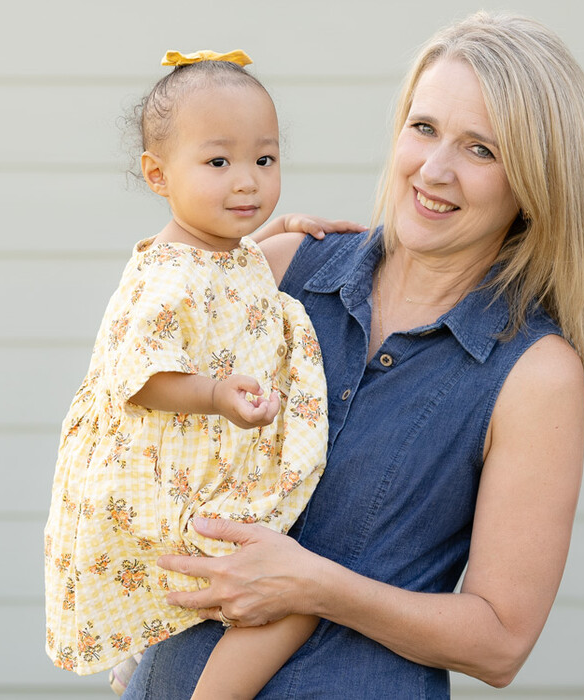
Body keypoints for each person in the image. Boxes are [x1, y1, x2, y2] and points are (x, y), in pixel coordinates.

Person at [120, 11, 584, 698]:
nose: (435, 170)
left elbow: (500, 643)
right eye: (425, 128)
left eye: (481, 150)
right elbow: (138, 401)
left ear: (534, 181)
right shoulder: (285, 267)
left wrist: (316, 586)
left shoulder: (534, 374)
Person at [42, 49, 366, 698]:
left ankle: (151, 636)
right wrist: (215, 394)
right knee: (272, 590)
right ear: (158, 176)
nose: (246, 181)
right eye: (219, 163)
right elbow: (138, 377)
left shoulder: (223, 248)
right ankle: (175, 665)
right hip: (154, 475)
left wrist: (281, 231)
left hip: (196, 465)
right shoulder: (165, 279)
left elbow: (235, 269)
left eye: (264, 160)